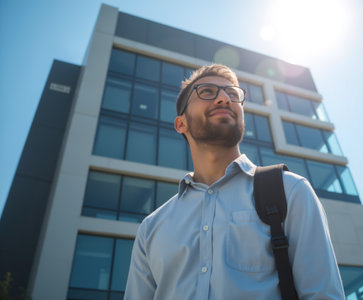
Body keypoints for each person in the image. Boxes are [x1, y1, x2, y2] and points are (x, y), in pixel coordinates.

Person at [124, 64, 345, 300]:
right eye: (207, 92)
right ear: (181, 124)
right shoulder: (151, 228)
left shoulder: (290, 190)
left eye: (233, 94)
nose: (224, 99)